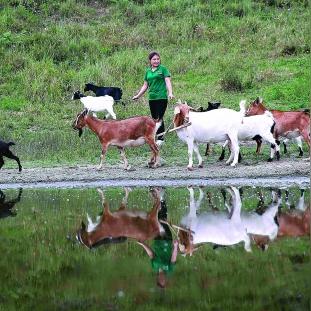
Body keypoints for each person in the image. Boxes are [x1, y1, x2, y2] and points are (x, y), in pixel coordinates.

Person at [136, 188, 178, 288]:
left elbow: (151, 253)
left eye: (161, 281)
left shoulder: (155, 266)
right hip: (167, 240)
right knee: (162, 219)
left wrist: (143, 244)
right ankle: (160, 196)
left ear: (158, 279)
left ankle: (158, 196)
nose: (163, 279)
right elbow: (173, 258)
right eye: (164, 281)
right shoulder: (169, 270)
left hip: (157, 239)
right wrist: (175, 246)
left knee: (156, 219)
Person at [132, 51, 174, 146]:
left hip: (162, 97)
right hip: (152, 98)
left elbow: (167, 81)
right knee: (154, 118)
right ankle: (157, 135)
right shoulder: (148, 71)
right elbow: (145, 85)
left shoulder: (163, 69)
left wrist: (170, 92)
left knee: (159, 117)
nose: (156, 61)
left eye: (158, 59)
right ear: (150, 61)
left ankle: (160, 139)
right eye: (154, 59)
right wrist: (138, 96)